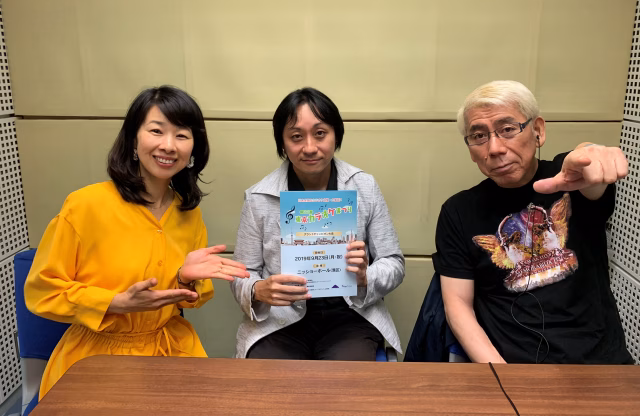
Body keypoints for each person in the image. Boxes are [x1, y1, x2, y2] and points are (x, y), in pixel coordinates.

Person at [25, 85, 250, 399]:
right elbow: (42, 291)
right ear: (133, 140)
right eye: (156, 131)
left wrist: (184, 280)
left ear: (193, 149)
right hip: (95, 357)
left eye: (182, 135)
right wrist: (114, 303)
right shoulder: (84, 206)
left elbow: (189, 299)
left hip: (170, 347)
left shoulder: (188, 212)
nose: (168, 145)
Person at [433, 80, 632, 364]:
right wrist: (502, 375)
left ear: (538, 131)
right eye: (478, 136)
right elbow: (457, 306)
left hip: (599, 362)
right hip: (511, 365)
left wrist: (591, 151)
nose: (494, 148)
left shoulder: (570, 180)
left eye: (507, 129)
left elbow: (588, 172)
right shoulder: (458, 211)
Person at [231, 87, 404, 360]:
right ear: (282, 143)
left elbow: (393, 263)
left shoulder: (364, 186)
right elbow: (243, 273)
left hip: (349, 318)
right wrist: (257, 290)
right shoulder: (259, 197)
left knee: (343, 380)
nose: (310, 147)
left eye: (320, 133)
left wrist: (364, 277)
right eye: (296, 136)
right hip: (281, 321)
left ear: (336, 135)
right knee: (269, 380)